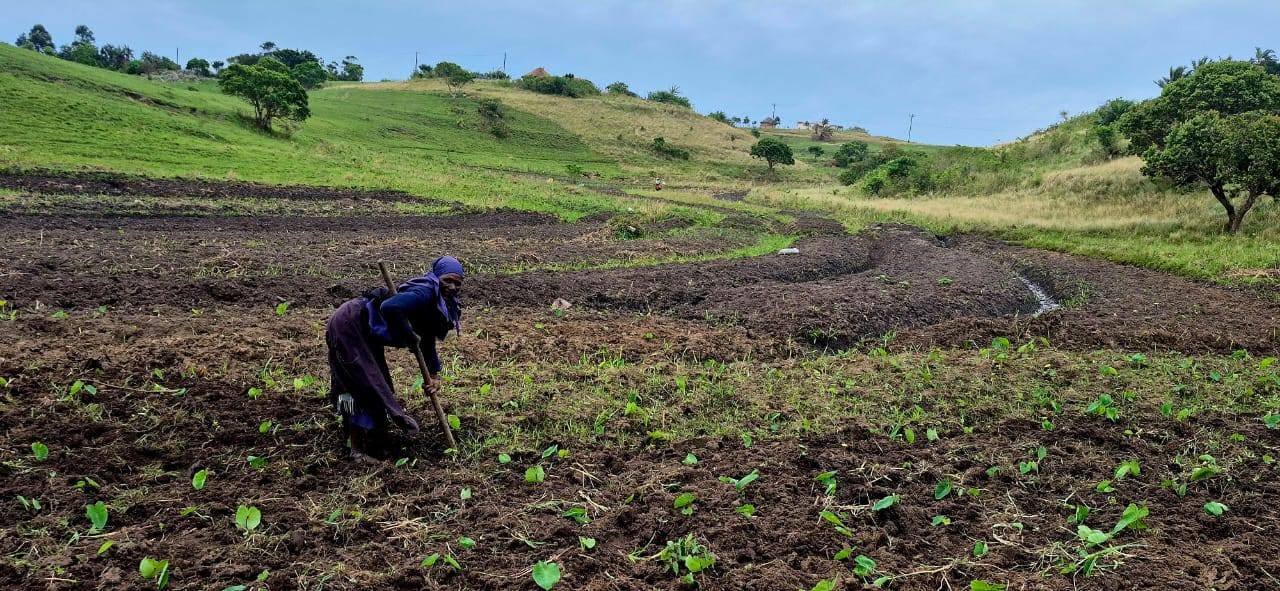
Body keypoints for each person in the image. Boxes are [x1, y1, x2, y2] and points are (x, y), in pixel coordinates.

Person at [325, 256, 464, 462]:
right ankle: (356, 450)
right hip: (351, 325)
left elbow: (426, 338)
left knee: (369, 385)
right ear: (437, 277)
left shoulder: (437, 301)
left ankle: (362, 435)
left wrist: (433, 375)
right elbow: (389, 308)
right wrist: (407, 334)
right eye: (447, 280)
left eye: (457, 283)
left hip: (363, 330)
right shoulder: (425, 291)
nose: (452, 287)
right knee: (364, 386)